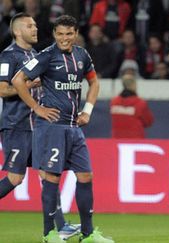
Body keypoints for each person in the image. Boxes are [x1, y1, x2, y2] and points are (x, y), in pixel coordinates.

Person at [12, 15, 114, 243]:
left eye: (69, 34)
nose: (64, 38)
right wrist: (37, 107)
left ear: (76, 34)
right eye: (60, 34)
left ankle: (88, 235)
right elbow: (18, 80)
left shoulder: (82, 55)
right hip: (52, 127)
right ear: (54, 35)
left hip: (73, 127)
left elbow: (94, 82)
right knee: (52, 179)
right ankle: (49, 234)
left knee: (86, 176)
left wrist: (87, 110)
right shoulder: (46, 56)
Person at [0, 12, 80, 241]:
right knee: (15, 178)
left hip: (38, 126)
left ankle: (61, 226)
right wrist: (27, 84)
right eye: (29, 26)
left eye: (35, 25)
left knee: (47, 174)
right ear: (17, 31)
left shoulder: (35, 55)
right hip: (17, 125)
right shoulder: (8, 56)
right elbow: (2, 89)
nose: (35, 29)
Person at [110, 73, 154, 138]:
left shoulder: (114, 102)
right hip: (136, 141)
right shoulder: (140, 103)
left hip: (117, 141)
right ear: (134, 85)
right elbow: (149, 122)